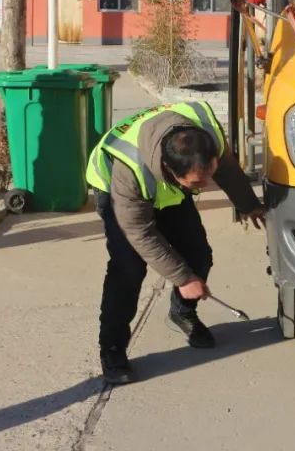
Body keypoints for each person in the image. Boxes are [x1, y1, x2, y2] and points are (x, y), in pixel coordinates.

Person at [85, 100, 267, 384]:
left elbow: (227, 166)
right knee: (128, 269)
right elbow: (140, 233)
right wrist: (183, 278)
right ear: (169, 170)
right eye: (197, 183)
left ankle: (182, 313)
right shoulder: (129, 168)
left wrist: (248, 204)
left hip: (166, 187)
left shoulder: (205, 129)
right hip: (117, 195)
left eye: (208, 176)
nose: (205, 186)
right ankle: (112, 347)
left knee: (198, 254)